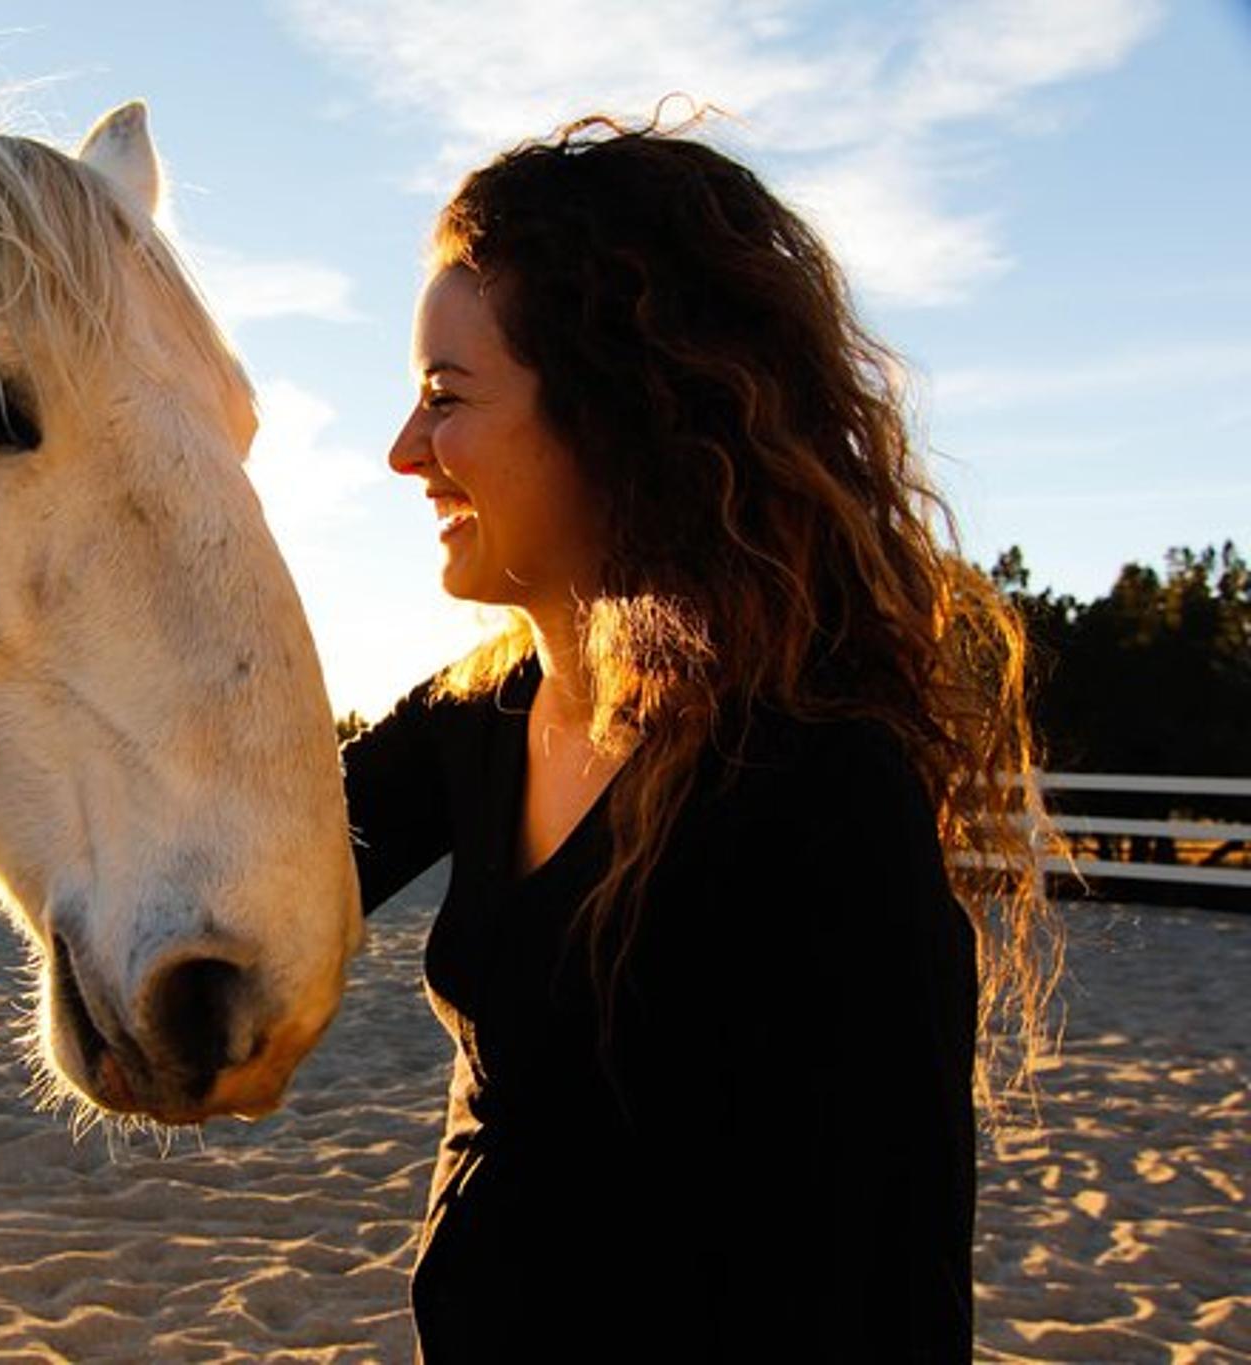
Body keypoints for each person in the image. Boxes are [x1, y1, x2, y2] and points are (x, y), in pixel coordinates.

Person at [342, 115, 1063, 1362]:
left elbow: (883, 1270)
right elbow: (242, 880)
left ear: (615, 416)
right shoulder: (475, 716)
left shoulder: (809, 782)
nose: (405, 452)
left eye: (444, 400)